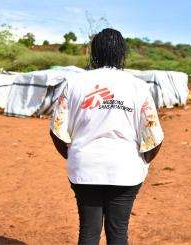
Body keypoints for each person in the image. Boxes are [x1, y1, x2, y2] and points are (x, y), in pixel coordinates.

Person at [50, 28, 164, 245]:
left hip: (84, 168)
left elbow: (57, 131)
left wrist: (75, 155)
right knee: (118, 233)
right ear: (122, 53)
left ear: (94, 53)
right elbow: (154, 136)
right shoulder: (138, 86)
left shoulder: (74, 83)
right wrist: (142, 160)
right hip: (126, 169)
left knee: (88, 233)